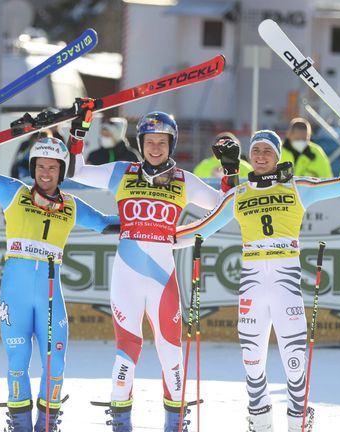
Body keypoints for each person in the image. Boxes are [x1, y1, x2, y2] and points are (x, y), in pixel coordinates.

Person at [174, 120, 340, 432]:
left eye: (268, 150)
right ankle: (259, 422)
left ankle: (298, 420)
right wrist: (154, 237)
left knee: (294, 362)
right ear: (249, 158)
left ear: (277, 157)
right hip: (252, 284)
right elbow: (200, 229)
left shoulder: (297, 187)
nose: (262, 155)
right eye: (256, 151)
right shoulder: (237, 194)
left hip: (286, 283)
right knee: (252, 361)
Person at [66, 100, 234, 432]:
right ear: (140, 144)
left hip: (163, 278)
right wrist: (79, 131)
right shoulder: (122, 172)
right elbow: (76, 171)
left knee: (171, 352)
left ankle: (175, 425)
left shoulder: (184, 180)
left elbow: (225, 207)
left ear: (171, 144)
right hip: (126, 277)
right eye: (149, 142)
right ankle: (120, 424)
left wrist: (230, 173)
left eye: (162, 142)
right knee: (127, 350)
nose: (155, 148)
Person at [0, 117, 119, 432]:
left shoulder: (72, 206)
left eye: (53, 167)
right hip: (15, 297)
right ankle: (19, 426)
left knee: (55, 364)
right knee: (17, 362)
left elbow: (105, 222)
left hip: (50, 298)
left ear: (61, 171)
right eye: (41, 167)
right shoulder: (15, 195)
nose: (46, 173)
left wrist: (147, 217)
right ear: (32, 168)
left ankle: (49, 424)